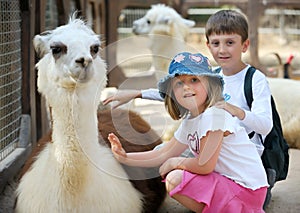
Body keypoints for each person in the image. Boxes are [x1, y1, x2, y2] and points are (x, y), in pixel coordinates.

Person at [103, 9, 274, 207]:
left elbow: (205, 164)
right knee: (167, 161)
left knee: (176, 174)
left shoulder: (222, 110)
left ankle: (239, 205)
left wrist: (236, 111)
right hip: (220, 165)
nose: (187, 88)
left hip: (244, 179)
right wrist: (125, 157)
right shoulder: (194, 115)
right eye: (179, 83)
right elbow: (164, 152)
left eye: (194, 80)